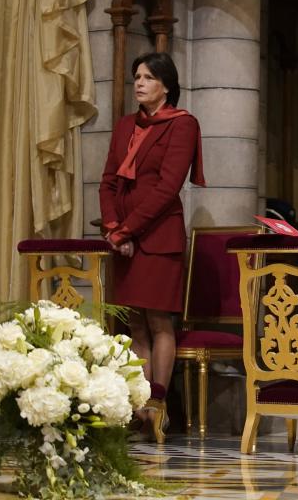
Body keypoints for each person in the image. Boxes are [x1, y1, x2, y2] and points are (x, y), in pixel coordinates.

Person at [99, 51, 205, 430]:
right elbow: (108, 182)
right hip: (124, 239)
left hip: (158, 237)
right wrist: (113, 227)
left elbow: (166, 189)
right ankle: (138, 403)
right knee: (134, 324)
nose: (140, 84)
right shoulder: (125, 125)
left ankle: (158, 404)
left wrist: (127, 230)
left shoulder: (182, 124)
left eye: (148, 78)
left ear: (166, 85)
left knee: (159, 321)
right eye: (137, 77)